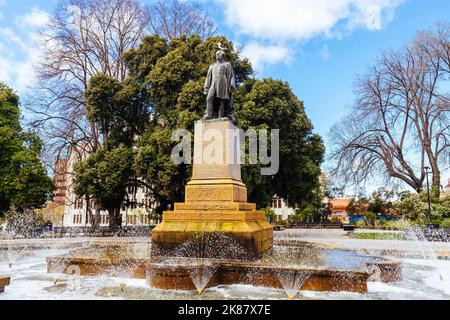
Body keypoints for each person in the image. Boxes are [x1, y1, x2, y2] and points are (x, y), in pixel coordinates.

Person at [203, 48, 237, 122]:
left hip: (223, 83)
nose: (217, 55)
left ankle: (220, 116)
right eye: (216, 54)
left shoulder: (227, 64)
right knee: (209, 98)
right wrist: (206, 87)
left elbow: (231, 75)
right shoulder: (212, 66)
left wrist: (231, 84)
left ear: (223, 55)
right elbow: (208, 77)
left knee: (221, 100)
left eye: (218, 54)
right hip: (213, 83)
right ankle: (209, 115)